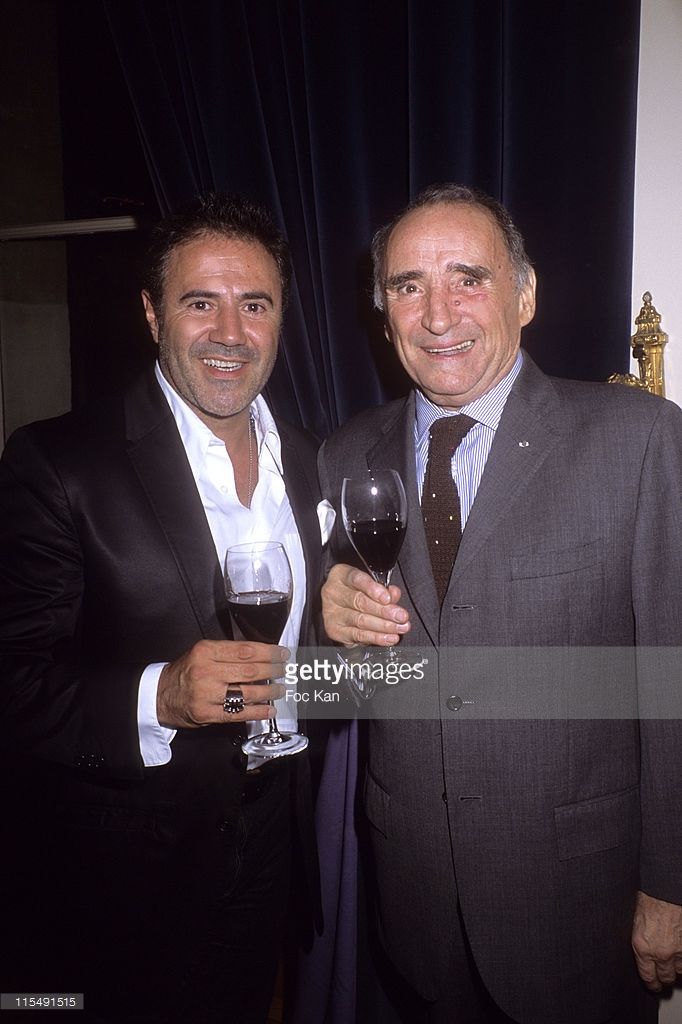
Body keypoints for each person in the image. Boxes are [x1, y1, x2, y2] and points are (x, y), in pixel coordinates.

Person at [318, 184, 682, 1023]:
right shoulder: (346, 453)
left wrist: (670, 881)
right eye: (408, 285)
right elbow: (359, 690)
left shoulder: (637, 440)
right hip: (413, 899)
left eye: (468, 278)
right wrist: (329, 633)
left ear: (525, 295)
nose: (438, 314)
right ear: (383, 312)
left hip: (579, 903)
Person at [0, 193, 323, 1023]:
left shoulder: (318, 462)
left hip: (275, 842)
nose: (230, 332)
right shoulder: (58, 461)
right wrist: (160, 697)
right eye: (200, 302)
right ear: (151, 314)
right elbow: (14, 683)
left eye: (255, 304)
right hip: (120, 881)